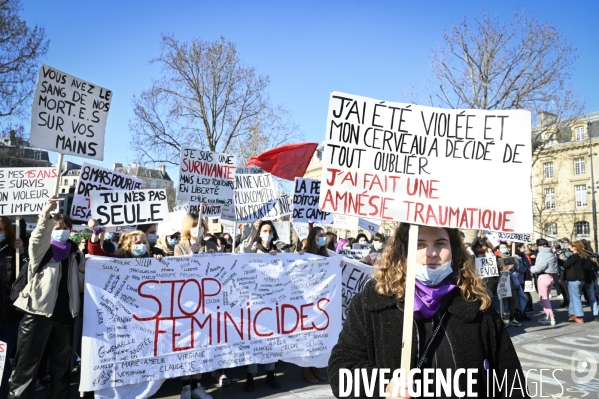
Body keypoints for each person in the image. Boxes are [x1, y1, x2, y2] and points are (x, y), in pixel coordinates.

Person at [328, 224, 527, 397]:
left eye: (440, 243)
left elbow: (511, 381)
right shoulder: (372, 304)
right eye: (419, 244)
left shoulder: (478, 306)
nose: (431, 252)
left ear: (454, 249)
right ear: (402, 251)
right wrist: (383, 387)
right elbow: (342, 369)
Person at [9, 197, 86, 399]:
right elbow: (36, 238)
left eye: (66, 227)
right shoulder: (42, 250)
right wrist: (45, 216)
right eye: (58, 227)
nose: (63, 231)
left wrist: (82, 271)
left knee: (61, 371)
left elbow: (78, 287)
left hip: (65, 317)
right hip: (37, 315)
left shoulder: (76, 254)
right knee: (27, 369)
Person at [243, 220, 282, 392]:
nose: (268, 233)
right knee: (255, 338)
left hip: (273, 301)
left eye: (270, 230)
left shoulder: (278, 248)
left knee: (272, 338)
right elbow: (242, 252)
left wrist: (279, 255)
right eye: (264, 230)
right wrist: (252, 231)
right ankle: (250, 375)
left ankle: (270, 373)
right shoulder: (252, 248)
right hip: (255, 301)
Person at [0, 217, 26, 397]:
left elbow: (26, 276)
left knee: (2, 356)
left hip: (8, 312)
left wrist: (22, 253)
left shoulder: (14, 249)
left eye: (0, 230)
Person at [300, 226, 329, 383]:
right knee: (307, 336)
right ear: (313, 237)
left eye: (324, 235)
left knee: (317, 336)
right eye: (320, 235)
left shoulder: (326, 254)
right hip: (307, 301)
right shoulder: (306, 254)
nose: (323, 238)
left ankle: (314, 367)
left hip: (321, 302)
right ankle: (306, 369)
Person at [531, 238, 558, 325]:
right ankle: (549, 316)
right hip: (551, 276)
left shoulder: (542, 254)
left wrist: (531, 269)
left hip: (543, 276)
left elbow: (539, 267)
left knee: (543, 298)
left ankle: (550, 316)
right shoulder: (551, 252)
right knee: (546, 298)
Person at [563, 241, 588, 323]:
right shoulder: (582, 256)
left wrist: (561, 260)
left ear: (575, 247)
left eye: (570, 246)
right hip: (580, 279)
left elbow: (566, 265)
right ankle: (573, 314)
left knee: (575, 297)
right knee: (574, 297)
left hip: (574, 279)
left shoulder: (574, 256)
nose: (569, 247)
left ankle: (579, 316)